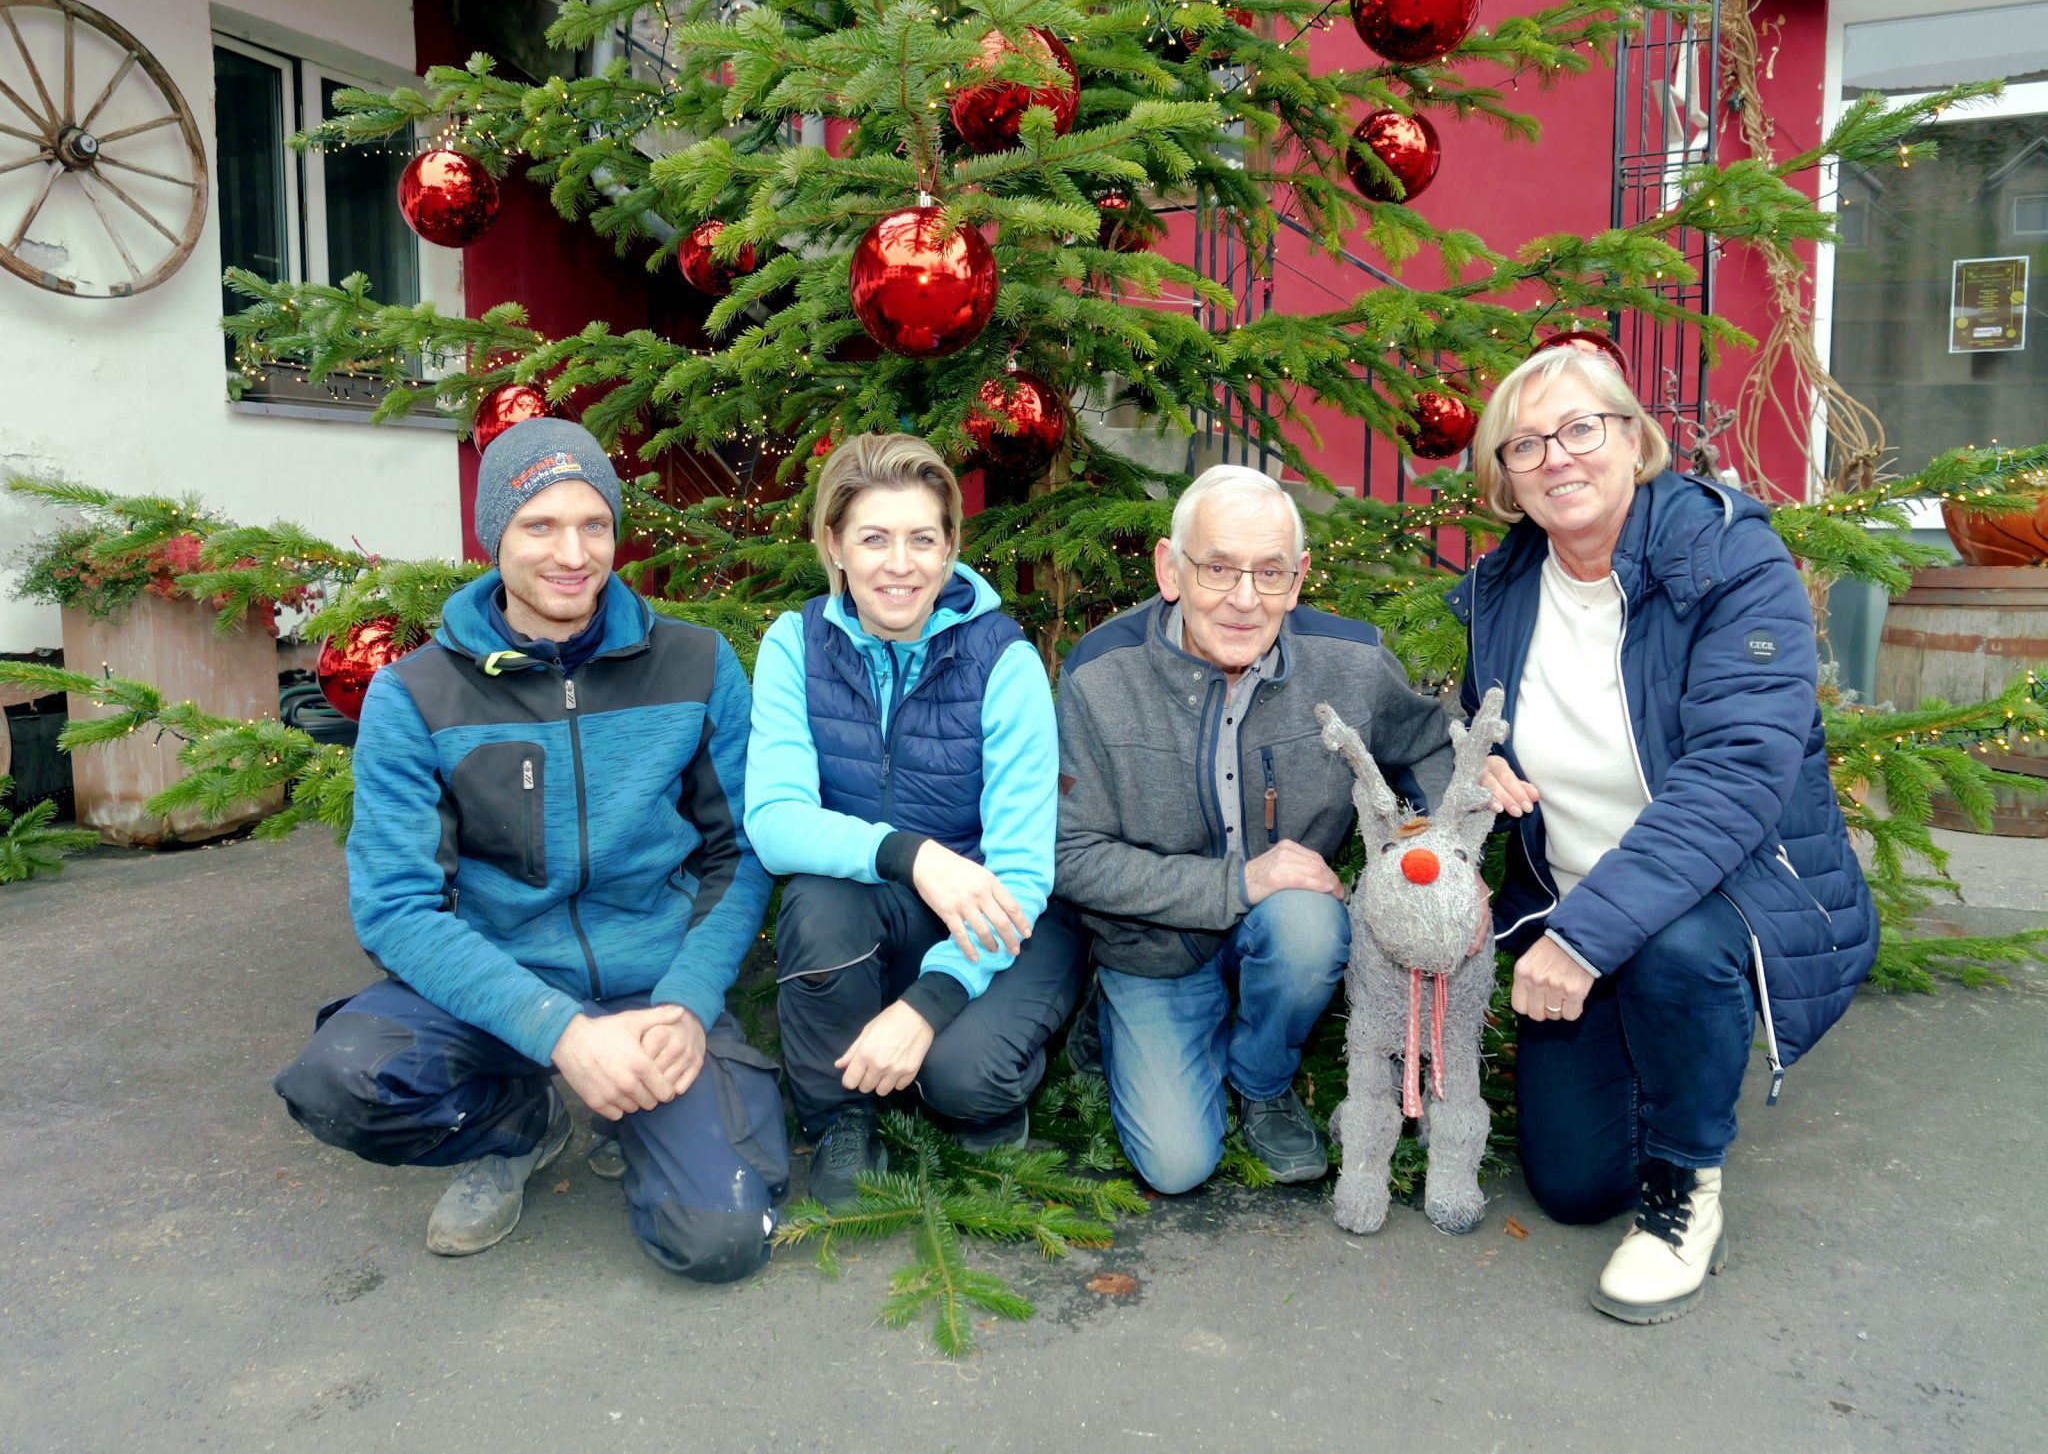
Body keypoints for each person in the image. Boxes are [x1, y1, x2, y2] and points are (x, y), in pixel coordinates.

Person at [274, 418, 787, 1283]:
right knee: (341, 1079)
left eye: (593, 523)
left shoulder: (697, 664)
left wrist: (689, 1001)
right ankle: (525, 1122)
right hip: (497, 992)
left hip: (653, 995)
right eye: (539, 525)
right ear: (494, 535)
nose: (572, 553)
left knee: (723, 1237)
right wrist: (559, 1033)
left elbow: (741, 852)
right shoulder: (415, 696)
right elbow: (397, 908)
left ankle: (642, 1117)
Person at [1452, 347, 1878, 1323]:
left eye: (1578, 428)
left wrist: (1582, 937)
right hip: (1569, 897)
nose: (1555, 457)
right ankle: (1660, 1059)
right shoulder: (1501, 587)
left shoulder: (1727, 558)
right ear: (1504, 480)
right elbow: (1471, 723)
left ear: (1632, 437)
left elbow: (1732, 779)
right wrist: (1472, 769)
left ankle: (1685, 1184)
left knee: (1676, 949)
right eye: (1523, 444)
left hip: (1721, 891)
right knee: (1568, 1188)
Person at [1055, 464, 1457, 1195]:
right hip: (1151, 944)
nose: (1245, 599)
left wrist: (1416, 846)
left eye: (1269, 573)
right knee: (1178, 1167)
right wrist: (1239, 880)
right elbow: (1071, 855)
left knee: (1308, 925)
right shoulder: (1099, 676)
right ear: (1170, 570)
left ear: (1299, 579)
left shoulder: (1353, 663)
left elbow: (1431, 746)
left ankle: (1264, 1081)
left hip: (1284, 927)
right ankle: (1115, 1017)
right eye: (1218, 568)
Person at [745, 434, 1085, 1206]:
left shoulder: (1005, 661)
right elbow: (773, 818)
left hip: (1005, 922)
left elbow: (1024, 876)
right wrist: (913, 854)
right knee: (816, 895)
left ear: (949, 548)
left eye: (921, 539)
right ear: (833, 545)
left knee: (964, 1080)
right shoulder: (794, 644)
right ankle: (842, 1118)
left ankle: (963, 1071)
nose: (899, 563)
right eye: (873, 537)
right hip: (879, 907)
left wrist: (926, 1006)